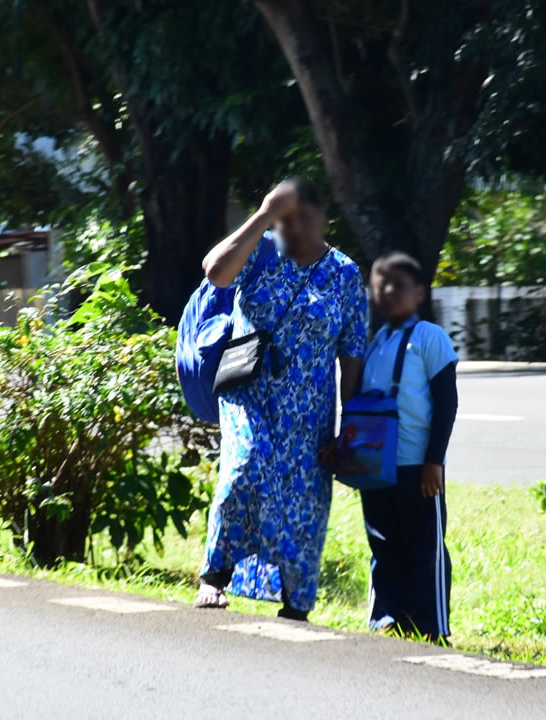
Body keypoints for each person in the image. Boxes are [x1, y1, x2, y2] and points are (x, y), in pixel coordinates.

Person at [196, 178, 368, 621]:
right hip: (248, 395)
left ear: (319, 217)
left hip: (310, 412)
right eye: (282, 219)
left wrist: (350, 427)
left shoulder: (345, 274)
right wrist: (263, 215)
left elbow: (352, 356)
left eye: (297, 218)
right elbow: (215, 271)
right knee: (245, 467)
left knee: (304, 500)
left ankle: (296, 601)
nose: (290, 229)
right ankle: (215, 575)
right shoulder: (262, 250)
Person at [323, 252, 458, 641]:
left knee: (424, 546)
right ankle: (387, 618)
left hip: (417, 465)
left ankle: (432, 627)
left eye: (397, 284)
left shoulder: (430, 337)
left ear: (419, 291)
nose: (386, 291)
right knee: (383, 542)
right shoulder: (375, 342)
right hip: (375, 465)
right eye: (379, 284)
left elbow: (447, 402)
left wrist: (435, 461)